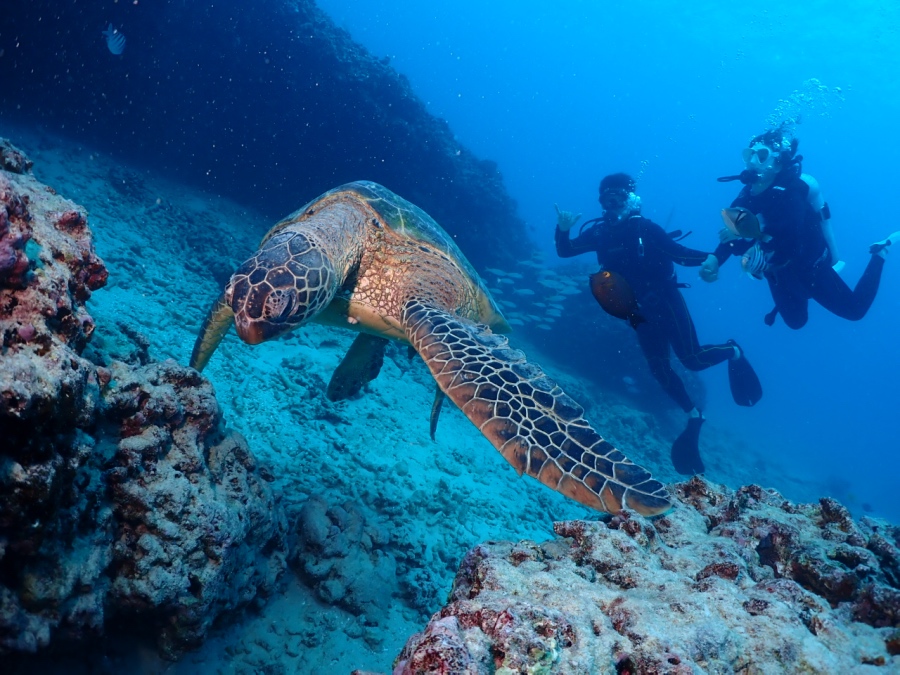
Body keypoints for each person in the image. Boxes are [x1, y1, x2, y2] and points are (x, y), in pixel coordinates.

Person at [554, 173, 761, 475]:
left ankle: (732, 351)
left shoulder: (645, 229)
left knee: (692, 360)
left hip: (666, 303)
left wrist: (717, 257)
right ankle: (693, 414)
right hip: (636, 312)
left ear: (631, 200)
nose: (612, 205)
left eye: (619, 198)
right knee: (659, 369)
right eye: (606, 200)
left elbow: (682, 255)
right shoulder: (599, 233)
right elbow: (566, 250)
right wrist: (563, 229)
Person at [703, 127, 900, 329]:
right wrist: (716, 258)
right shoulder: (747, 195)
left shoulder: (792, 192)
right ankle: (806, 291)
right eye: (749, 154)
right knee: (796, 322)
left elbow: (791, 237)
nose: (752, 162)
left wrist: (750, 238)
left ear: (778, 164)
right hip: (778, 271)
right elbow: (734, 230)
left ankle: (880, 252)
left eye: (761, 156)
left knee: (855, 310)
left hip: (810, 268)